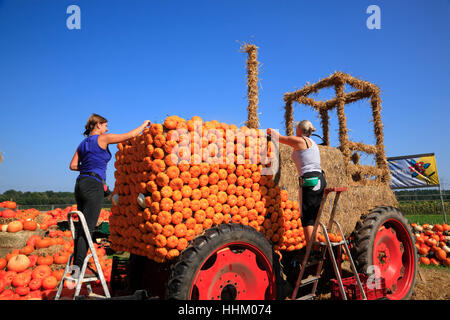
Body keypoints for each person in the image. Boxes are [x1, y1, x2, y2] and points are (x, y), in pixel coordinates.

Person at [69, 113, 150, 276]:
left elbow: (72, 166)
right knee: (87, 229)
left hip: (81, 184)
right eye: (105, 125)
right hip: (93, 185)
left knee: (82, 227)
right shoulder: (103, 138)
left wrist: (89, 169)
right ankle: (77, 270)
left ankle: (76, 267)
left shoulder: (82, 144)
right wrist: (143, 125)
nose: (107, 128)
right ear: (98, 124)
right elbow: (130, 135)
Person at [267, 120, 327, 256]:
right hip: (319, 179)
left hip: (311, 181)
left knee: (307, 219)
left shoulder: (301, 141)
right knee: (314, 217)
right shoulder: (313, 144)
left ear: (300, 130)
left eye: (296, 129)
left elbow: (280, 138)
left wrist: (268, 132)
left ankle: (311, 252)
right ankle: (316, 249)